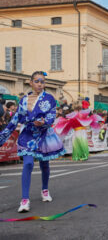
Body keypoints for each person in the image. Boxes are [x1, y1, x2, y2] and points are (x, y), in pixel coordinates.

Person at [0, 71, 65, 212]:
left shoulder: (50, 98)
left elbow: (52, 116)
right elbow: (16, 119)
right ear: (30, 83)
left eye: (42, 81)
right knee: (28, 164)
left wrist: (43, 122)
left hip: (43, 134)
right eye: (37, 81)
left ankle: (45, 189)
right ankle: (24, 200)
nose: (40, 84)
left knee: (44, 164)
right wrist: (3, 136)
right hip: (27, 136)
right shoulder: (23, 100)